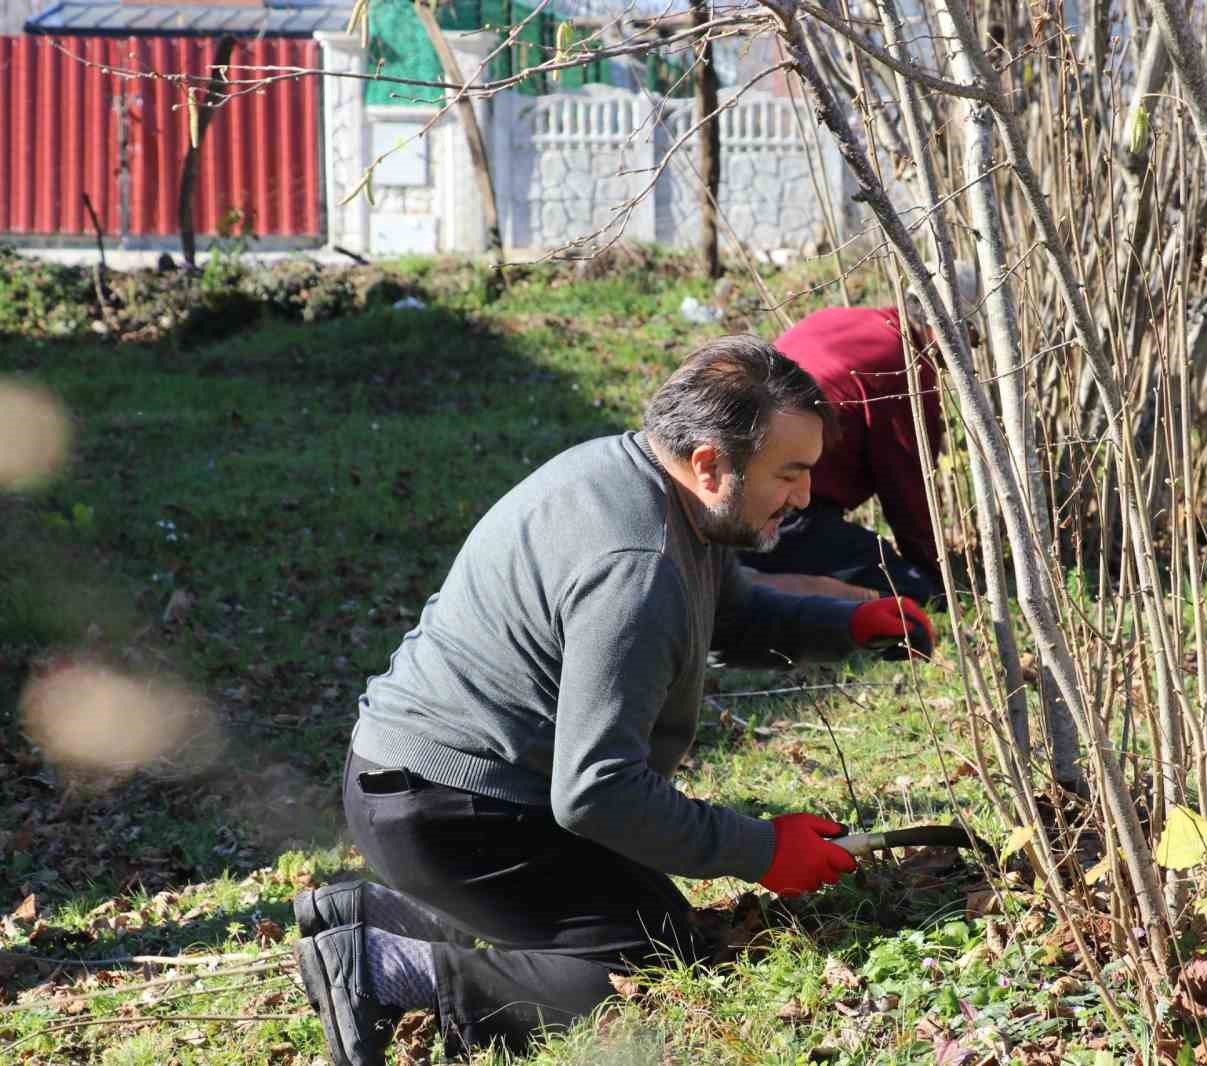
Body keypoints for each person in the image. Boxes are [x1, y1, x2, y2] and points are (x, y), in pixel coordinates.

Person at [292, 336, 937, 1065]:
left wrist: (847, 625)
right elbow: (598, 791)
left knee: (661, 925)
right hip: (447, 809)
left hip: (447, 783)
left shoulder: (645, 479)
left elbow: (725, 613)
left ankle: (369, 913)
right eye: (789, 474)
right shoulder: (638, 565)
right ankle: (381, 968)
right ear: (708, 463)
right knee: (643, 965)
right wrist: (761, 850)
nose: (805, 498)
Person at [740, 265, 978, 607]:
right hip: (779, 513)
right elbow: (907, 492)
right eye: (970, 338)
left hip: (732, 489)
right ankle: (750, 589)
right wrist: (936, 580)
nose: (966, 353)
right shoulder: (906, 373)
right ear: (947, 328)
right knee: (909, 593)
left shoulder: (835, 319)